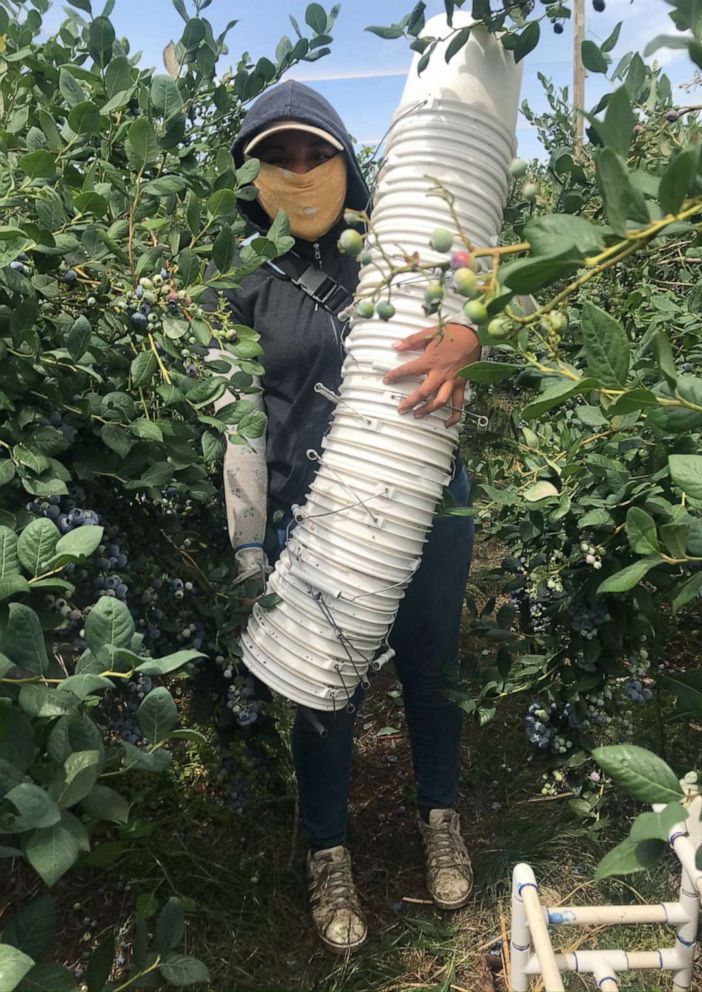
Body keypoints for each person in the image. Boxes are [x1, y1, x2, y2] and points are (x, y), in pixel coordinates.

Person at [209, 80, 482, 954]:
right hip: (314, 515)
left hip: (427, 497)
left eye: (313, 153)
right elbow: (237, 419)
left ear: (345, 161)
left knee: (432, 668)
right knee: (324, 692)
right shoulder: (243, 282)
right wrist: (249, 543)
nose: (299, 172)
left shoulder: (394, 245)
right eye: (276, 158)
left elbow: (475, 276)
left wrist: (469, 330)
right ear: (250, 178)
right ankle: (330, 849)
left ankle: (439, 812)